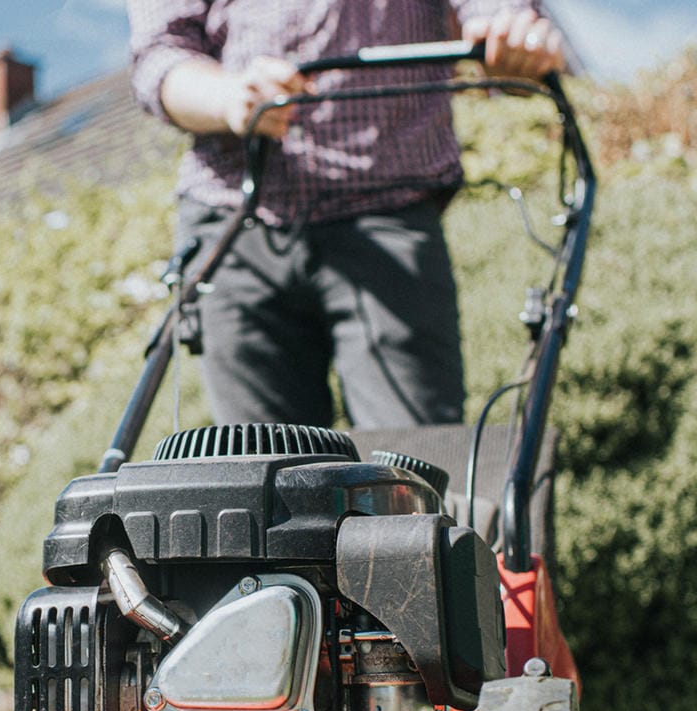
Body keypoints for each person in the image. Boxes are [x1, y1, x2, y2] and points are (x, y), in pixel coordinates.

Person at [128, 1, 565, 429]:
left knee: (409, 469)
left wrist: (508, 34)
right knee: (260, 475)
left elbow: (496, 13)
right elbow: (159, 55)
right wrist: (230, 96)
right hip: (232, 221)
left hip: (389, 210)